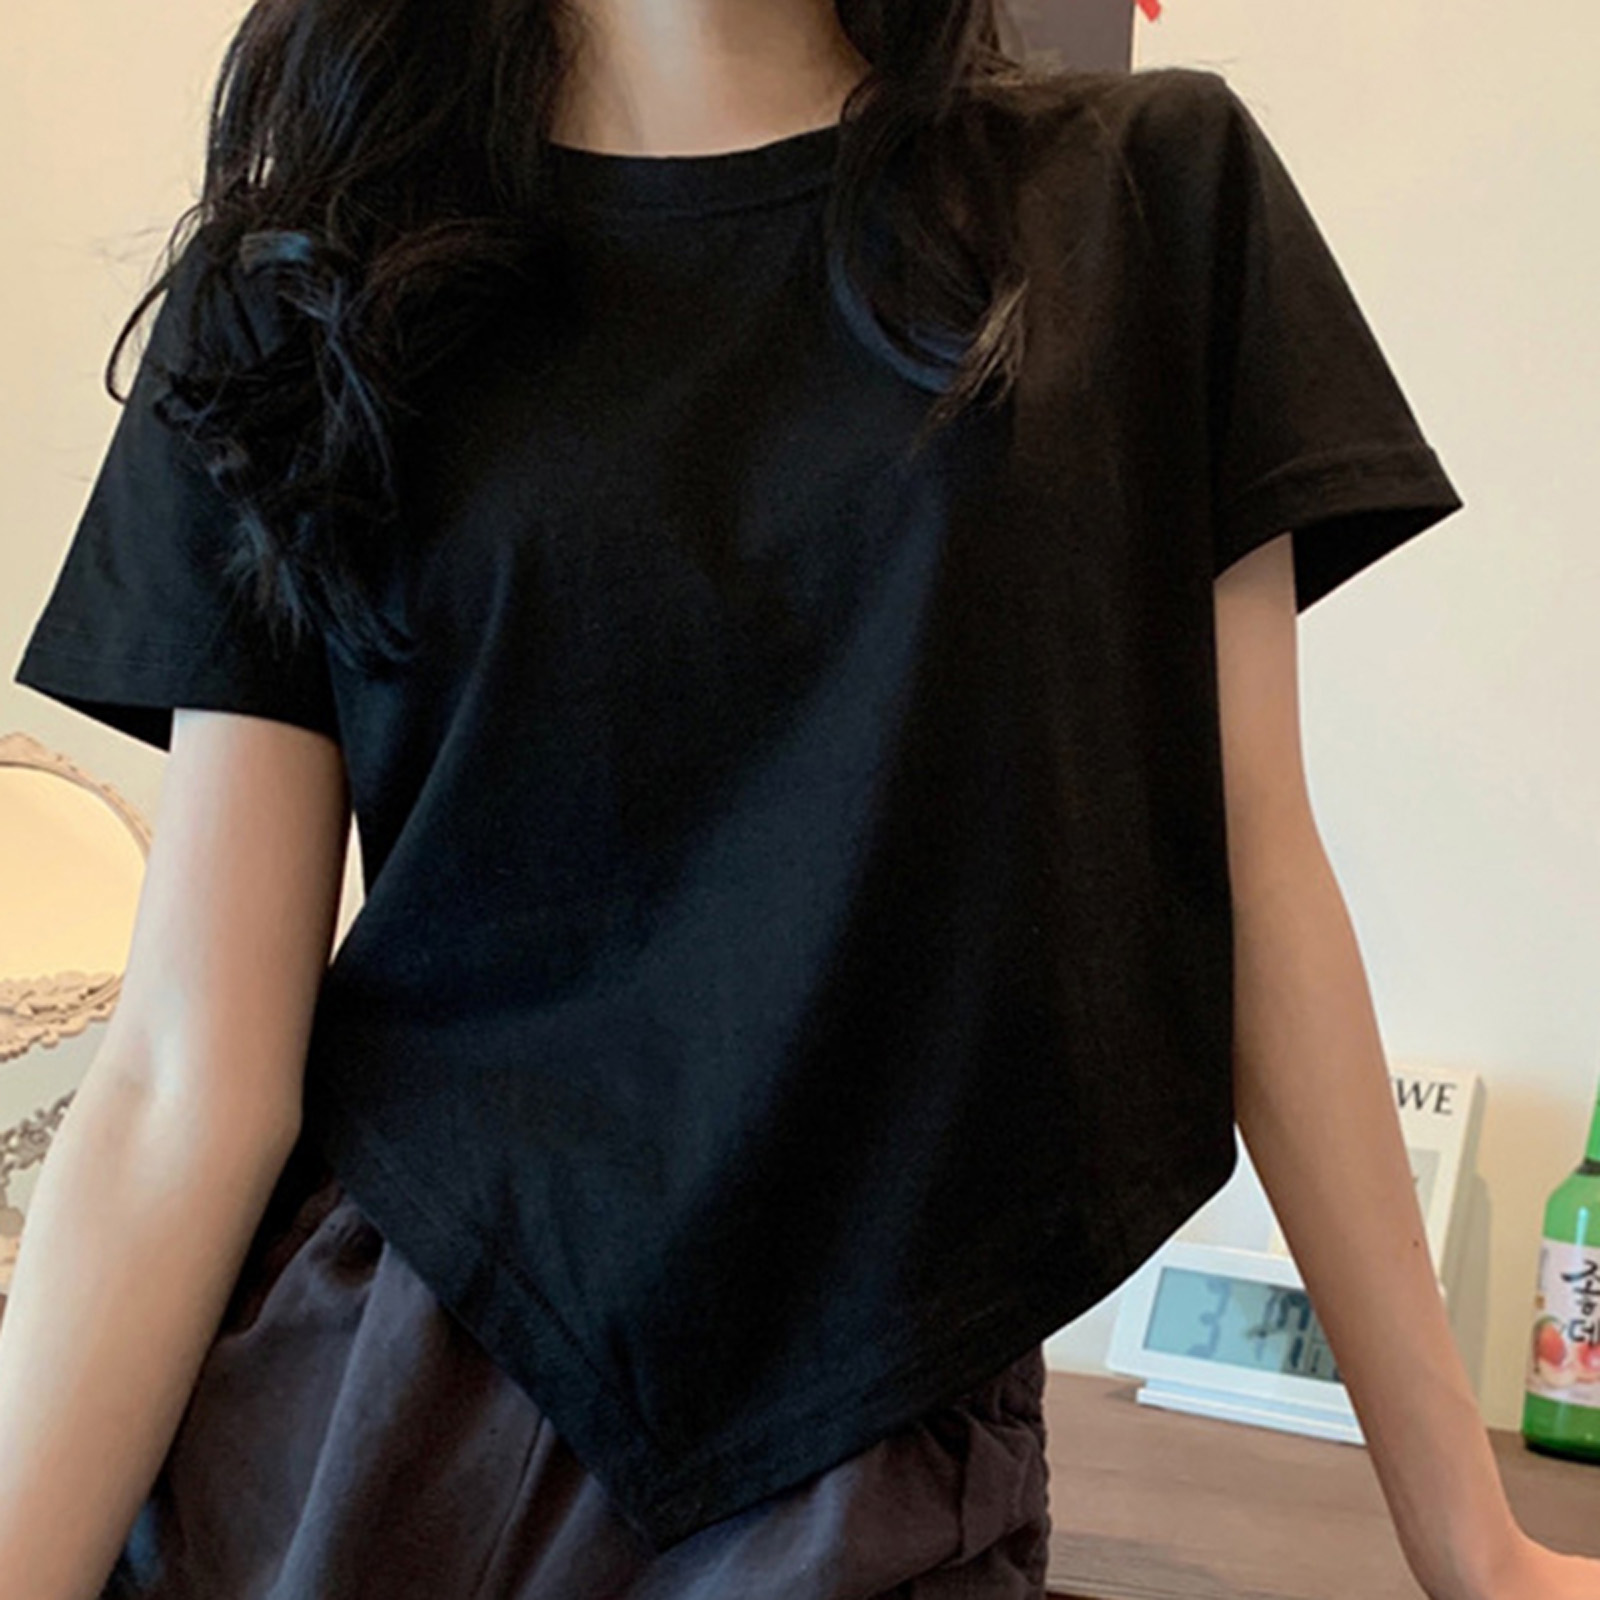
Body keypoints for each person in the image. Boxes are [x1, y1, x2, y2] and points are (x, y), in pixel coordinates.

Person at [5, 1, 1598, 1597]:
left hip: (870, 1429)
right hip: (366, 1407)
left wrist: (1475, 1549)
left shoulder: (1142, 200)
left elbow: (1253, 875)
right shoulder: (310, 281)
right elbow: (183, 1080)